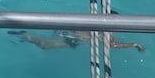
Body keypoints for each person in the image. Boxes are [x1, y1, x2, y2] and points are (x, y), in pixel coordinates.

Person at [9, 30, 145, 52]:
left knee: (46, 45)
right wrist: (134, 44)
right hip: (73, 39)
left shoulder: (96, 22)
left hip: (71, 33)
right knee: (45, 46)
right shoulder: (107, 32)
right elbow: (115, 46)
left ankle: (28, 36)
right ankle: (27, 36)